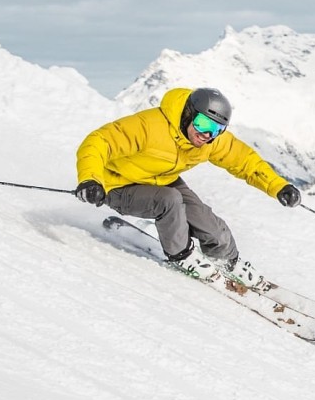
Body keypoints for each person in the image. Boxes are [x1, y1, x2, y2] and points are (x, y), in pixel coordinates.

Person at [74, 87, 301, 281]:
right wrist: (90, 179)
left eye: (216, 130)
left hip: (164, 181)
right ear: (188, 114)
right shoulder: (150, 126)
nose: (207, 135)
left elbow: (245, 161)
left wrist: (278, 186)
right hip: (116, 185)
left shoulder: (208, 141)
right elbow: (98, 142)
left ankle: (226, 261)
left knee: (210, 226)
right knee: (169, 200)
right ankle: (182, 255)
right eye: (202, 124)